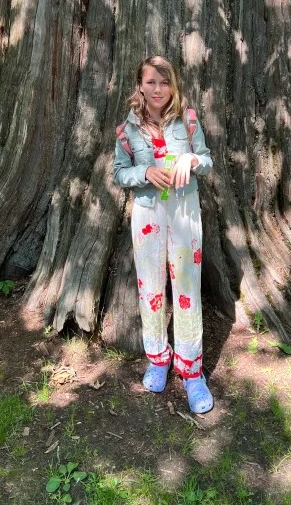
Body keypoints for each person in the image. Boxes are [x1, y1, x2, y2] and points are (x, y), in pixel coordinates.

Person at [113, 56, 214, 414]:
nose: (158, 89)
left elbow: (207, 159)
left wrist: (192, 160)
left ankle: (192, 371)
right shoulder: (127, 130)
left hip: (185, 213)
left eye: (164, 82)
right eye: (151, 82)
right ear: (140, 86)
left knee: (187, 290)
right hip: (148, 215)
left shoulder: (188, 120)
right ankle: (158, 358)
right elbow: (119, 173)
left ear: (173, 85)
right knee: (150, 289)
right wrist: (144, 172)